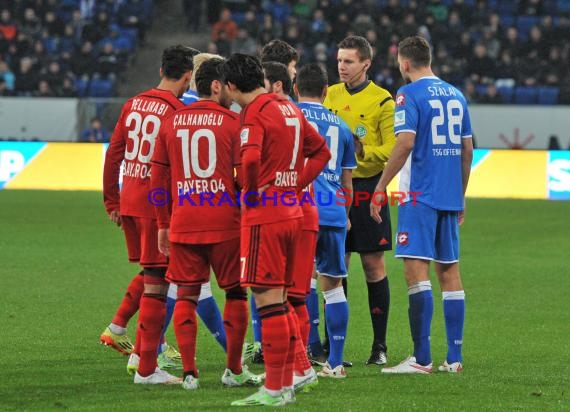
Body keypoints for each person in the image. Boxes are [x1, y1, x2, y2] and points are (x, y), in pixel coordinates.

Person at [219, 53, 330, 406]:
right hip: (294, 213)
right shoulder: (288, 107)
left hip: (266, 217)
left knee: (268, 302)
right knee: (281, 300)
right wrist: (296, 183)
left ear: (232, 86)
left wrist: (250, 194)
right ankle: (284, 384)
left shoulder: (253, 113)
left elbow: (249, 159)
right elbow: (321, 152)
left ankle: (277, 389)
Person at [150, 57, 261, 390]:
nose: (229, 91)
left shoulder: (172, 121)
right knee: (236, 293)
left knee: (186, 294)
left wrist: (162, 223)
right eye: (225, 85)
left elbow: (158, 177)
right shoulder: (233, 122)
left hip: (184, 221)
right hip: (225, 221)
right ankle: (234, 370)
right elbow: (246, 173)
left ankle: (188, 373)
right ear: (216, 85)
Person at [370, 35, 473, 374]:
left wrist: (382, 185)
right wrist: (460, 194)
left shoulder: (408, 94)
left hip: (419, 194)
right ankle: (454, 358)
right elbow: (467, 149)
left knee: (416, 272)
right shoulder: (457, 95)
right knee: (450, 271)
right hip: (448, 194)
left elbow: (405, 142)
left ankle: (422, 358)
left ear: (404, 63)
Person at [102, 45, 195, 384]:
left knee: (153, 274)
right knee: (159, 280)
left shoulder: (133, 104)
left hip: (130, 199)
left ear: (160, 71)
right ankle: (144, 365)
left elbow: (114, 154)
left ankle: (137, 349)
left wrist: (112, 201)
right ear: (187, 77)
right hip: (157, 204)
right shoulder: (176, 111)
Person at [323, 35, 395, 366]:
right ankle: (331, 344)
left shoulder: (382, 101)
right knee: (337, 266)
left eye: (348, 61)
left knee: (372, 264)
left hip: (366, 188)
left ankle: (379, 347)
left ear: (365, 64)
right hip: (333, 188)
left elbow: (392, 150)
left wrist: (362, 150)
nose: (341, 66)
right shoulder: (329, 95)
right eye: (339, 59)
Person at [296, 63, 357, 379]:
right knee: (333, 287)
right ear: (325, 92)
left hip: (298, 211)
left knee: (297, 285)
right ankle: (334, 362)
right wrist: (345, 217)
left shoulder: (289, 117)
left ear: (295, 89)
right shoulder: (342, 126)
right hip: (333, 212)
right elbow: (348, 184)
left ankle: (301, 360)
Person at [262, 60, 318, 391]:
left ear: (279, 85)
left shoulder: (277, 117)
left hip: (288, 211)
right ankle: (299, 365)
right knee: (293, 296)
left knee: (285, 297)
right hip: (306, 210)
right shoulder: (298, 116)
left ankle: (297, 368)